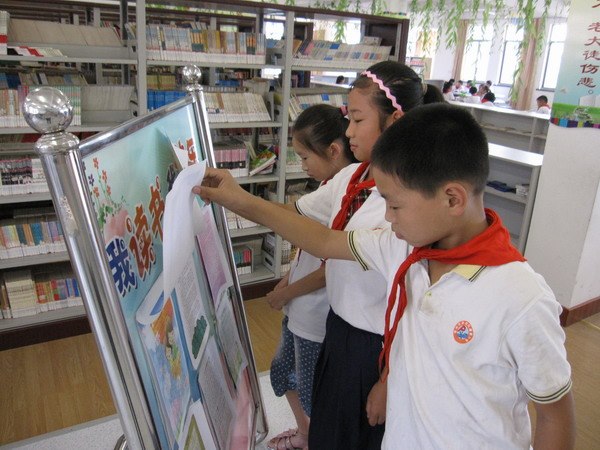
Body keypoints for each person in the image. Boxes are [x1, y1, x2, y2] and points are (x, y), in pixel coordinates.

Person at [194, 102, 576, 449]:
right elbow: (323, 240)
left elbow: (554, 416)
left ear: (453, 199)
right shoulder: (404, 250)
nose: (387, 217)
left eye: (394, 205)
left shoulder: (520, 298)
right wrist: (238, 200)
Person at [269, 60, 441, 449]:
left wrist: (387, 376)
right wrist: (235, 202)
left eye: (358, 120)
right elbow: (297, 218)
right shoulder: (352, 176)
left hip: (373, 345)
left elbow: (410, 303)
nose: (348, 131)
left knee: (355, 434)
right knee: (329, 426)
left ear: (395, 121)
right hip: (339, 327)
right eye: (348, 118)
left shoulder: (403, 205)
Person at [266, 104, 356, 450]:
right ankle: (306, 434)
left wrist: (285, 294)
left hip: (315, 319)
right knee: (282, 371)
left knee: (312, 393)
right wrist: (288, 281)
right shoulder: (327, 188)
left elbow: (327, 271)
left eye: (305, 157)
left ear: (333, 151)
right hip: (299, 309)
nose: (302, 165)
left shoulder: (345, 199)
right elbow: (306, 249)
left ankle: (315, 438)